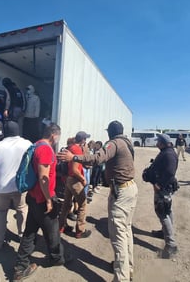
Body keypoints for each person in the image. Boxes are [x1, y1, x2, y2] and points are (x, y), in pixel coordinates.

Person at [58, 120, 137, 282]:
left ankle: (122, 277)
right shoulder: (128, 143)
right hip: (130, 189)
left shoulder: (114, 143)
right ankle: (127, 267)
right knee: (126, 230)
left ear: (111, 132)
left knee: (119, 234)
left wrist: (74, 157)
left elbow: (97, 158)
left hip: (121, 191)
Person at [13, 123, 65, 281]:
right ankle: (56, 258)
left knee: (30, 232)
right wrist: (49, 199)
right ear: (53, 135)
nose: (57, 140)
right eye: (57, 137)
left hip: (34, 196)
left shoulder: (35, 145)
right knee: (52, 231)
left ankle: (20, 267)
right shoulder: (45, 149)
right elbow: (44, 177)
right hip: (42, 198)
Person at [0, 121, 32, 250]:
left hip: (1, 188)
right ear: (18, 131)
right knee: (22, 210)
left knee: (0, 213)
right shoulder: (27, 144)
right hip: (20, 187)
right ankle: (22, 237)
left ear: (4, 132)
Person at [143, 134, 179, 259]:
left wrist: (159, 184)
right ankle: (164, 232)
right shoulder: (166, 152)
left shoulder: (168, 154)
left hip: (163, 189)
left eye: (158, 141)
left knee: (162, 212)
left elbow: (170, 172)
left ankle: (171, 245)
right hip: (164, 188)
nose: (157, 143)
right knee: (167, 211)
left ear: (163, 142)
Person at [58, 131, 92, 239]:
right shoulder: (77, 150)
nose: (85, 141)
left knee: (66, 204)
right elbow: (74, 169)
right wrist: (83, 179)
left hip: (68, 179)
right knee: (82, 205)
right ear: (82, 140)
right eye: (85, 139)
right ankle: (80, 231)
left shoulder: (70, 147)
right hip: (75, 180)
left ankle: (61, 226)